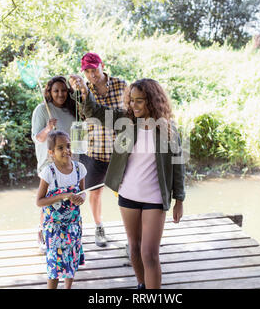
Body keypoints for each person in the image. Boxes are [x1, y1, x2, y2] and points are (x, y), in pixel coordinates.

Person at [69, 77, 185, 289]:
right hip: (127, 195)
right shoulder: (125, 121)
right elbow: (95, 112)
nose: (133, 105)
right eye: (131, 100)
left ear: (152, 101)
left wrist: (180, 200)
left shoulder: (168, 129)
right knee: (134, 246)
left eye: (139, 101)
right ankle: (142, 285)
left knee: (149, 253)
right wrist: (84, 90)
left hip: (155, 198)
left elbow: (178, 167)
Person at [71, 52, 127, 247]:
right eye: (86, 71)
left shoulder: (121, 85)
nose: (91, 74)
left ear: (101, 65)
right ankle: (98, 227)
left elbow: (130, 113)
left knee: (126, 191)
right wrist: (81, 91)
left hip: (120, 151)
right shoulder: (83, 89)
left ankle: (130, 230)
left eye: (93, 69)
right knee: (95, 192)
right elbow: (82, 116)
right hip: (94, 150)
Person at [31, 75, 77, 253]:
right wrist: (48, 128)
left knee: (67, 198)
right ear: (49, 92)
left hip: (69, 160)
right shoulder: (42, 110)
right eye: (56, 90)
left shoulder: (72, 110)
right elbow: (38, 138)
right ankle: (42, 232)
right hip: (49, 162)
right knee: (48, 199)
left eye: (64, 90)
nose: (60, 94)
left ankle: (65, 232)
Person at [35, 130, 87, 289]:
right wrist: (64, 195)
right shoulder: (48, 172)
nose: (66, 150)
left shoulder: (80, 169)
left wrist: (81, 198)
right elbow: (39, 201)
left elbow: (83, 192)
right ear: (51, 153)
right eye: (60, 148)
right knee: (55, 266)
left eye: (68, 146)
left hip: (73, 225)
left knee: (71, 260)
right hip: (54, 227)